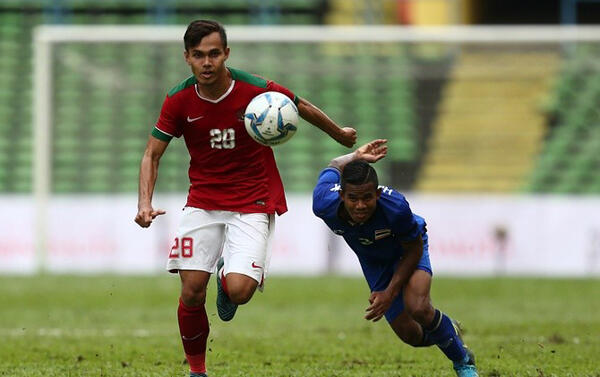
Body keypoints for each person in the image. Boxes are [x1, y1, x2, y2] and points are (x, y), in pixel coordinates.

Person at [134, 20, 356, 377]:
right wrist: (144, 203)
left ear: (226, 54)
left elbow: (299, 105)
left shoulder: (256, 90)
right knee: (191, 290)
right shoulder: (179, 99)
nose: (207, 63)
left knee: (239, 292)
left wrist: (340, 135)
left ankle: (226, 278)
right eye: (198, 56)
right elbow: (151, 154)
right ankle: (197, 371)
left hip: (252, 200)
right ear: (187, 58)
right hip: (203, 201)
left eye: (214, 54)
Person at [312, 139, 479, 377]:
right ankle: (447, 330)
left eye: (367, 198)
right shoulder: (323, 203)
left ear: (378, 194)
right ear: (341, 196)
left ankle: (463, 362)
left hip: (407, 251)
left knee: (418, 308)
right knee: (411, 335)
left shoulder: (396, 207)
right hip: (374, 262)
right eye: (353, 199)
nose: (360, 205)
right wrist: (355, 155)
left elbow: (414, 249)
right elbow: (334, 164)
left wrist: (390, 293)